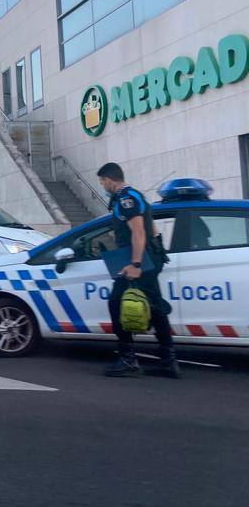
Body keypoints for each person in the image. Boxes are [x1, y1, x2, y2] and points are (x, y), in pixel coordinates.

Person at [97, 162, 179, 378]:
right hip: (148, 257)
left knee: (116, 302)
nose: (103, 186)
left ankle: (128, 359)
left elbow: (139, 232)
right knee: (155, 306)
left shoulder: (125, 199)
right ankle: (168, 361)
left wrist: (135, 264)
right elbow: (152, 229)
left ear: (110, 180)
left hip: (138, 260)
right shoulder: (135, 196)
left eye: (103, 181)